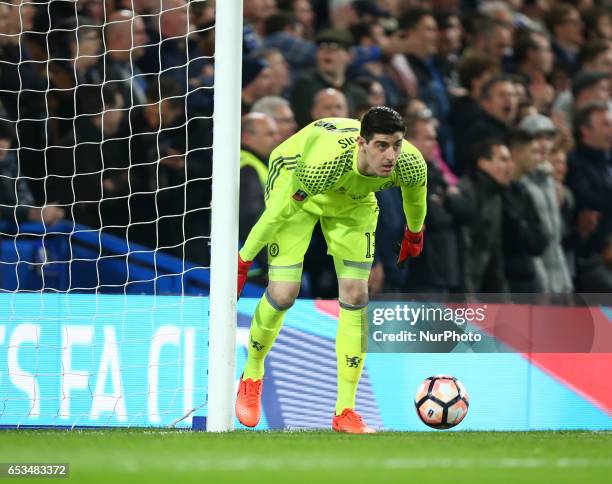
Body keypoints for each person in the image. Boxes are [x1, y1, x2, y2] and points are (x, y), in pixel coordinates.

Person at [235, 106, 427, 433]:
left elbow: (415, 196)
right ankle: (252, 373)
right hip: (297, 184)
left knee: (356, 293)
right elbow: (278, 212)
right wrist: (244, 260)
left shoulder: (409, 162)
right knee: (283, 293)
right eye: (381, 145)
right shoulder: (324, 165)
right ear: (362, 144)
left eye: (396, 145)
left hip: (354, 201)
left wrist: (415, 231)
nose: (391, 155)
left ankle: (346, 411)